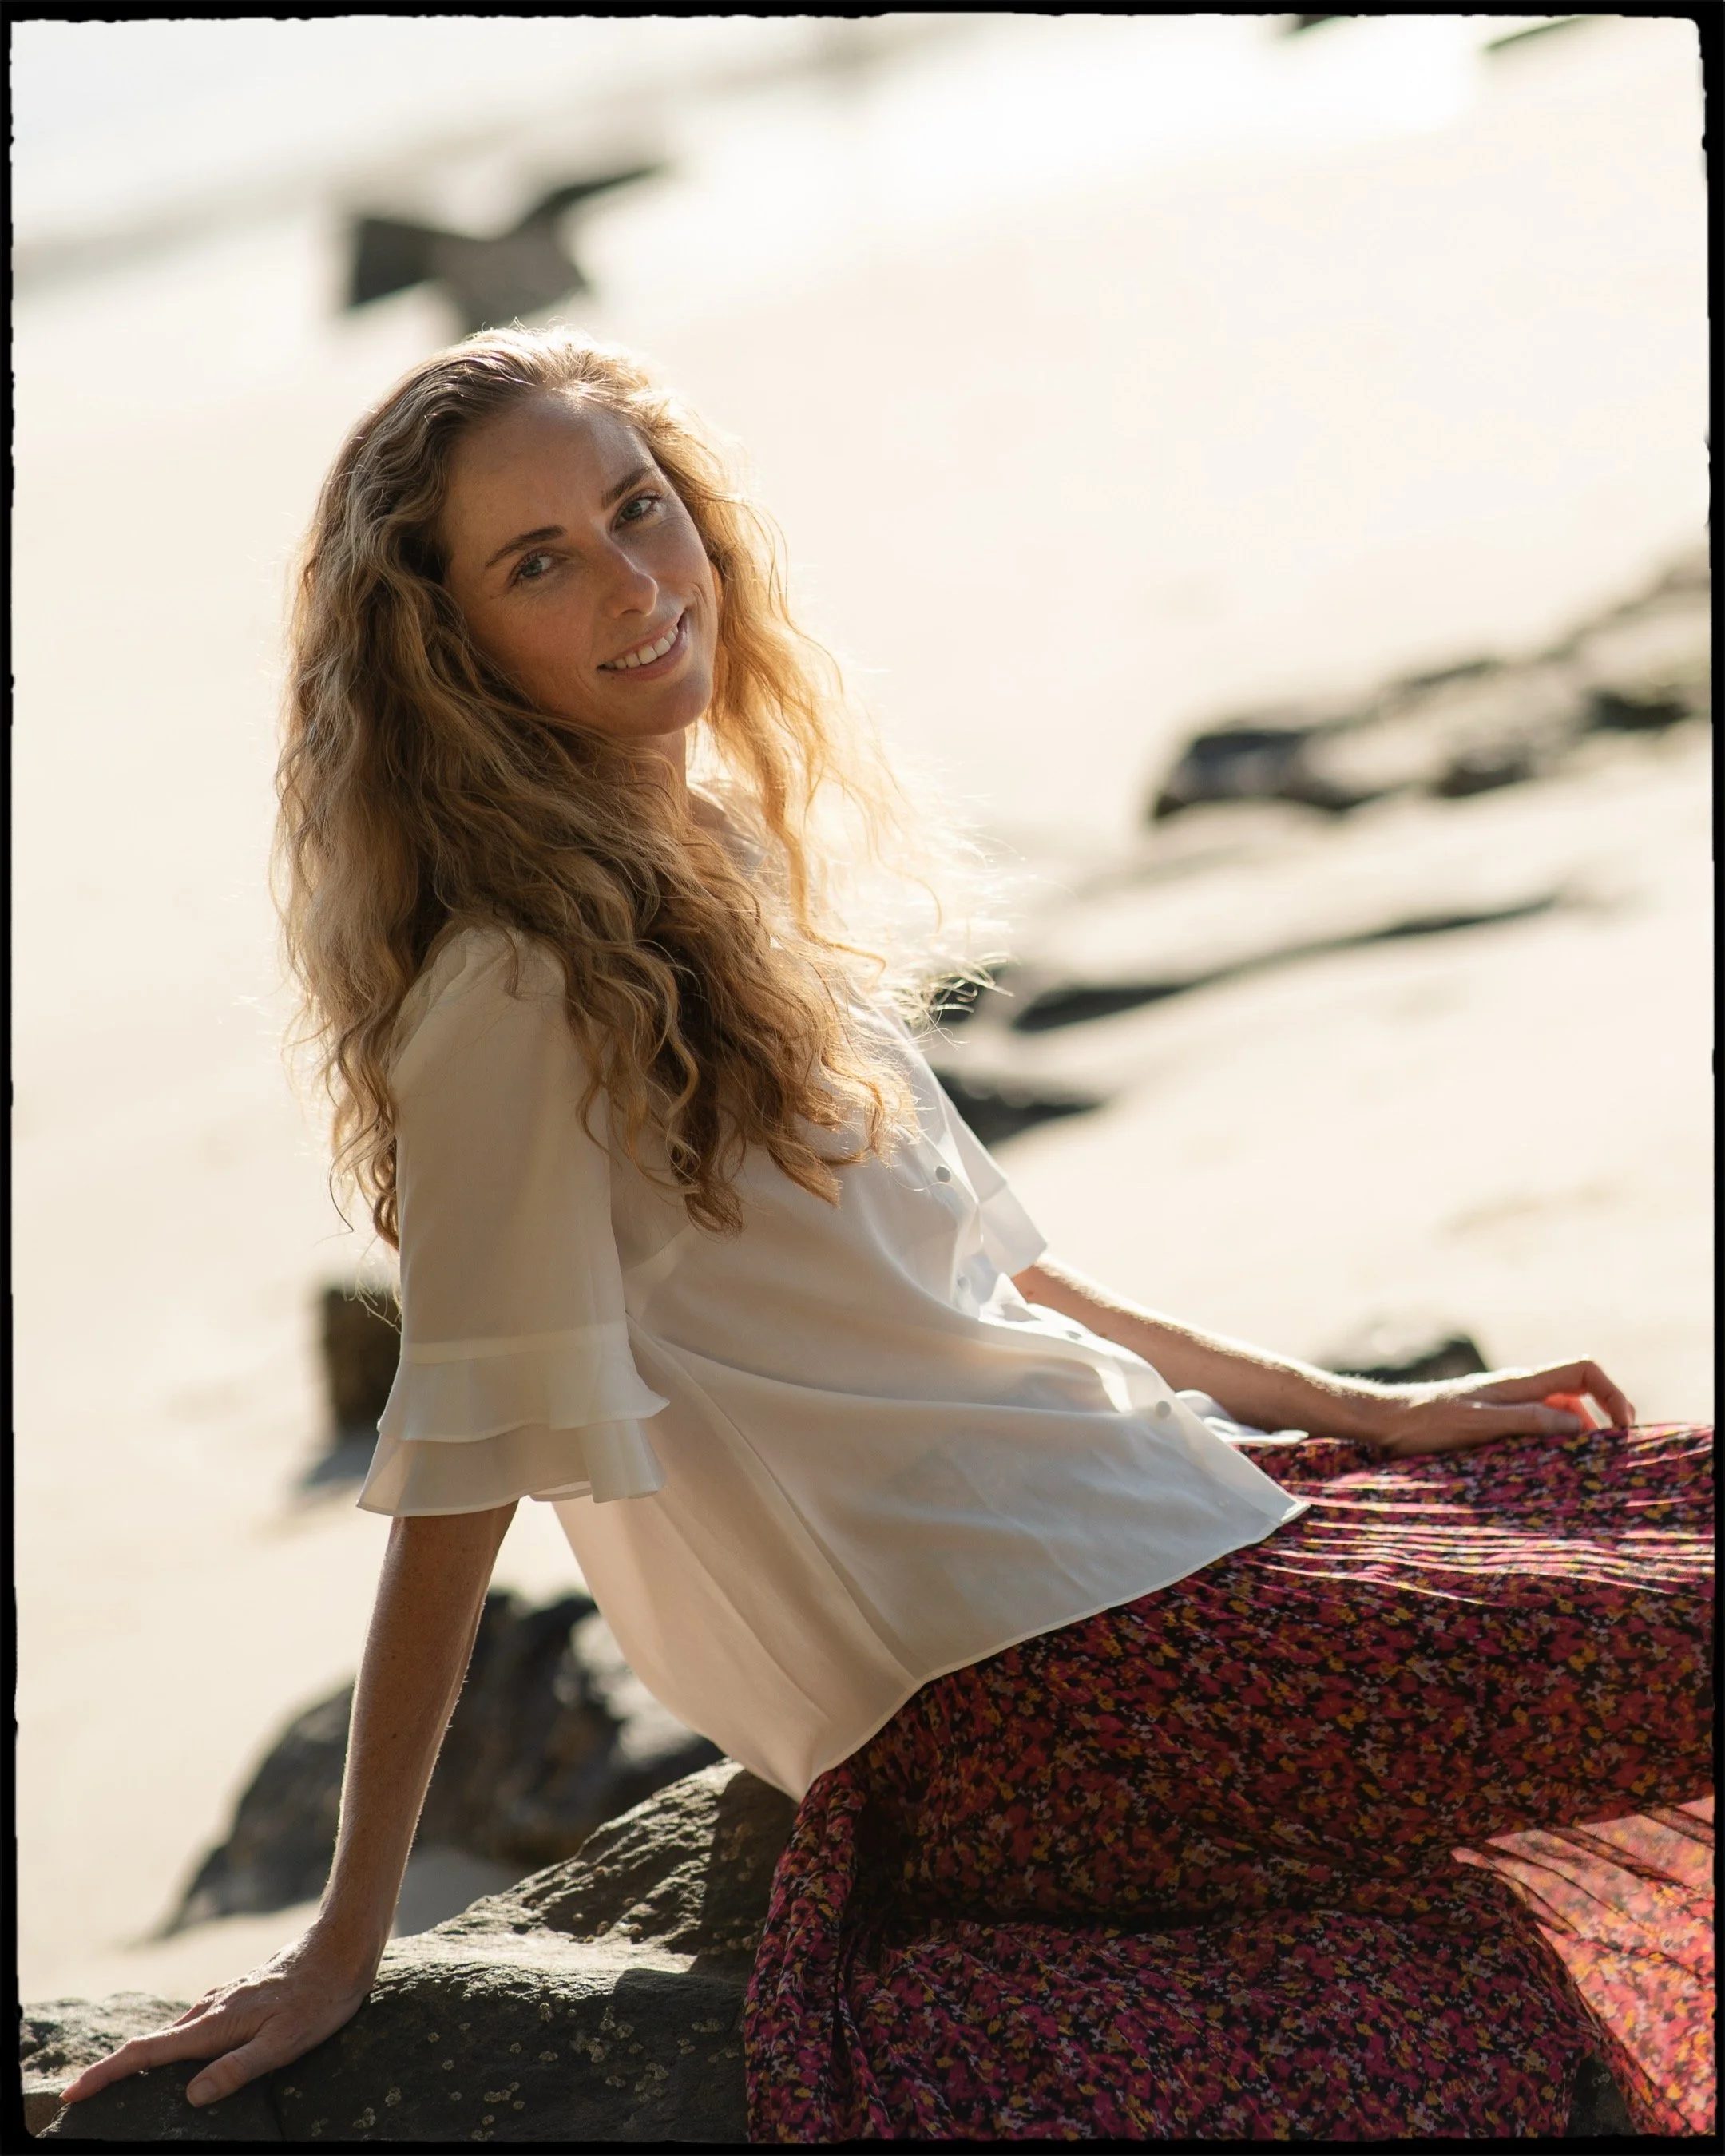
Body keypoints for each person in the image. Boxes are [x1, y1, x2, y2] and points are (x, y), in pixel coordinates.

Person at [62, 328, 1711, 2140]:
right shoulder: (508, 995)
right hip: (1030, 1689)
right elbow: (465, 1457)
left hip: (1149, 1531)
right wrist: (345, 1940)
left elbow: (976, 1269)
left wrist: (1367, 1410)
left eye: (639, 509)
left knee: (1659, 1509)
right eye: (541, 562)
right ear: (441, 646)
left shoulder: (698, 853)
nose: (636, 581)